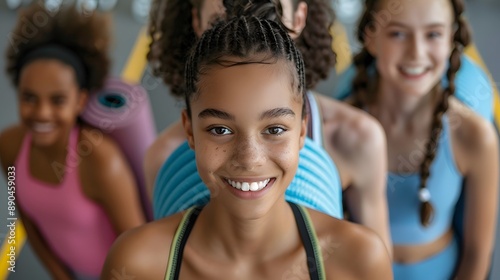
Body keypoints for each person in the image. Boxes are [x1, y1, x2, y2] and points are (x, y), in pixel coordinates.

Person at [101, 16, 393, 280]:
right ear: (189, 130)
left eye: (274, 130)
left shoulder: (359, 260)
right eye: (221, 130)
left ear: (302, 130)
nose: (249, 159)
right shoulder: (138, 264)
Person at [350, 0, 498, 279]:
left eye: (433, 34)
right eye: (397, 33)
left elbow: (478, 254)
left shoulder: (474, 136)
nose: (416, 53)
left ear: (451, 39)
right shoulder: (341, 129)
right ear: (370, 38)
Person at [0, 4, 145, 279]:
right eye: (29, 97)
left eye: (57, 100)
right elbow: (26, 219)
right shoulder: (8, 147)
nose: (42, 113)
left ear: (79, 100)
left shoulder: (101, 161)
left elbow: (137, 251)